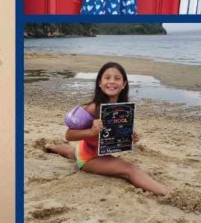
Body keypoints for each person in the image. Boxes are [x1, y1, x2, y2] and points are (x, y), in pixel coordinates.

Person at [44, 62, 170, 195]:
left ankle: (50, 147)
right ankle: (169, 193)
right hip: (90, 158)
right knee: (130, 169)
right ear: (99, 83)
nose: (112, 81)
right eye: (107, 77)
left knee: (72, 152)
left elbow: (115, 133)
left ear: (124, 84)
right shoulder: (94, 108)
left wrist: (130, 136)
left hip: (86, 148)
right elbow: (69, 135)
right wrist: (91, 131)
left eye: (117, 78)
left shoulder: (123, 107)